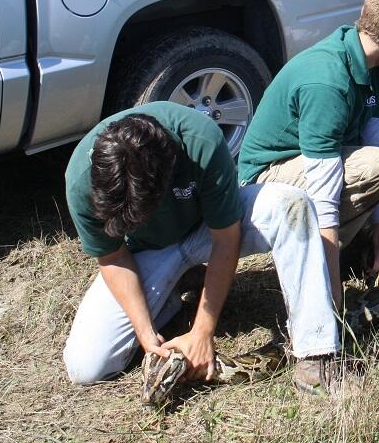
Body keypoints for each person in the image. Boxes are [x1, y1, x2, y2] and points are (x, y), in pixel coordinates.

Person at [62, 102, 341, 395]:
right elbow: (113, 257)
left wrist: (202, 330)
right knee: (86, 366)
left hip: (210, 228)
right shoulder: (83, 179)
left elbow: (226, 238)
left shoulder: (199, 140)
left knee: (292, 205)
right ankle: (173, 291)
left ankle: (316, 352)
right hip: (148, 252)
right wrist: (145, 333)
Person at [237, 0, 379, 319]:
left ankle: (369, 238)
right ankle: (320, 259)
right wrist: (331, 283)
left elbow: (377, 137)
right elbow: (324, 183)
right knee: (377, 165)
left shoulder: (377, 64)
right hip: (268, 176)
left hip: (336, 156)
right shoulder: (326, 79)